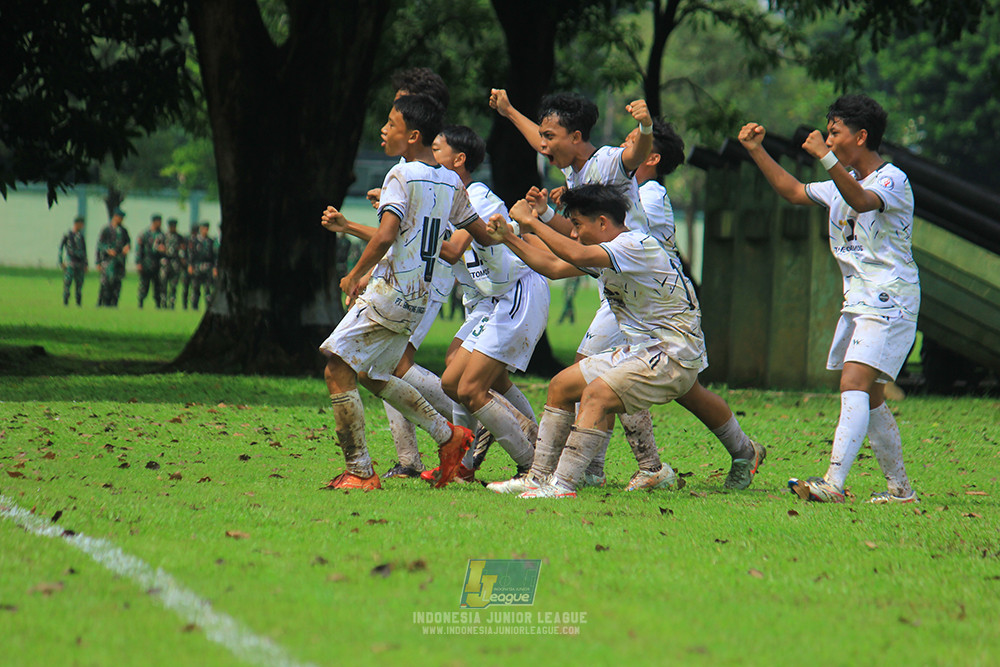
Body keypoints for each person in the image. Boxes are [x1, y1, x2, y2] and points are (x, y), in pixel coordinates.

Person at [490, 90, 764, 492]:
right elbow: (558, 256)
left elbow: (626, 166)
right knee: (680, 391)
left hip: (651, 299)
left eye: (552, 136)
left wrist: (646, 127)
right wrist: (511, 112)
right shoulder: (578, 177)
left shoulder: (622, 177)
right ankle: (740, 450)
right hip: (624, 292)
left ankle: (596, 471)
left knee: (599, 384)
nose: (543, 145)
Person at [738, 94, 919, 504]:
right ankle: (901, 490)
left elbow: (860, 200)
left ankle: (833, 484)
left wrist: (824, 156)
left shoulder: (891, 180)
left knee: (853, 382)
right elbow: (792, 190)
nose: (830, 138)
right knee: (869, 396)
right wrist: (756, 150)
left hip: (889, 299)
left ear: (861, 136)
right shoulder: (840, 181)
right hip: (859, 301)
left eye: (835, 132)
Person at [317, 94, 496, 490]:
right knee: (374, 373)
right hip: (418, 300)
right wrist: (509, 234)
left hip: (390, 292)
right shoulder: (451, 180)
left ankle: (360, 471)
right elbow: (480, 232)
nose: (384, 130)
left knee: (335, 365)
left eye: (391, 123)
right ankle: (449, 436)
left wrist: (355, 274)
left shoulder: (400, 176)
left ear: (412, 135)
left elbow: (386, 235)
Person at [487, 184, 708, 499]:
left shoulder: (634, 244)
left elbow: (573, 252)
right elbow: (551, 266)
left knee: (596, 394)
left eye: (577, 225)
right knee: (561, 386)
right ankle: (537, 478)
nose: (574, 233)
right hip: (641, 352)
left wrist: (533, 222)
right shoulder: (609, 252)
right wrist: (509, 237)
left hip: (671, 356)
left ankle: (563, 486)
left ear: (603, 223)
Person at [429, 125, 550, 483]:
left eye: (435, 149)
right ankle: (471, 461)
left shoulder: (477, 196)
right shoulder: (446, 200)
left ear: (458, 160)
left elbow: (451, 250)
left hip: (518, 292)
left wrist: (411, 224)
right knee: (453, 380)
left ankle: (533, 466)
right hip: (493, 298)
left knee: (469, 387)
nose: (429, 157)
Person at [96, 208, 130, 307]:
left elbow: (128, 242)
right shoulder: (106, 230)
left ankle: (114, 303)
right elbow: (100, 245)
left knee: (117, 282)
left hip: (119, 260)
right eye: (120, 218)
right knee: (106, 283)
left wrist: (127, 247)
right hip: (108, 260)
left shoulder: (123, 230)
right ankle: (102, 302)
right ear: (115, 217)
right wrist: (99, 260)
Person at [136, 214, 166, 308]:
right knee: (144, 285)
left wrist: (163, 250)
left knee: (157, 286)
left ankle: (158, 304)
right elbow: (139, 249)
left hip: (157, 264)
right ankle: (140, 303)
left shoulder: (162, 235)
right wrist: (138, 262)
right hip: (146, 263)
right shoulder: (145, 234)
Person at [187, 222, 218, 310]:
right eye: (204, 228)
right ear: (200, 229)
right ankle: (194, 306)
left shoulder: (210, 241)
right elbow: (191, 254)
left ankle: (209, 307)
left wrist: (215, 268)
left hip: (208, 267)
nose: (205, 230)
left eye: (207, 228)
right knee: (195, 288)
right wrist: (190, 265)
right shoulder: (195, 241)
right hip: (197, 267)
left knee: (208, 289)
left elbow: (214, 256)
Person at [58, 216, 87, 306]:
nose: (82, 226)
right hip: (70, 263)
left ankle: (78, 303)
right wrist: (61, 261)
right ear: (77, 224)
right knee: (67, 283)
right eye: (81, 224)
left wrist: (86, 264)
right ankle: (65, 301)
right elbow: (61, 249)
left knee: (79, 285)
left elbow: (84, 251)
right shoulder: (68, 235)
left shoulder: (81, 236)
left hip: (80, 264)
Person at [159, 218, 185, 309]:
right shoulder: (163, 236)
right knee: (163, 284)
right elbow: (156, 247)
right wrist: (161, 249)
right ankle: (163, 302)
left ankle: (172, 302)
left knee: (173, 285)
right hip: (165, 262)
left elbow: (183, 250)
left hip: (175, 263)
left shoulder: (180, 237)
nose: (172, 228)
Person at [181, 223, 198, 309]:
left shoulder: (197, 241)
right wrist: (187, 264)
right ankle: (185, 305)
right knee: (186, 287)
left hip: (194, 267)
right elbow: (183, 252)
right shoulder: (186, 239)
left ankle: (193, 305)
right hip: (186, 267)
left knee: (194, 287)